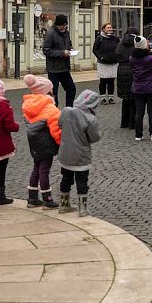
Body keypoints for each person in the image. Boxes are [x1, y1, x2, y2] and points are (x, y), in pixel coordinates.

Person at [57, 89, 101, 217]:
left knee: (66, 178)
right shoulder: (91, 119)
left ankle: (64, 204)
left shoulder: (66, 111)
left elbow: (59, 124)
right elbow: (94, 138)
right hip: (81, 155)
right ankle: (83, 208)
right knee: (82, 181)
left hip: (65, 153)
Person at [23, 74, 61, 208]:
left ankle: (32, 197)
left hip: (34, 143)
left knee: (36, 168)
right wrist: (60, 143)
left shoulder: (28, 106)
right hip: (47, 144)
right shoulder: (51, 109)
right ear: (48, 91)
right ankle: (47, 198)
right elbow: (56, 130)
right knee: (44, 170)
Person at [129, 35, 152, 141]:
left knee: (139, 112)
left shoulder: (131, 58)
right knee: (151, 112)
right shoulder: (150, 58)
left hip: (138, 88)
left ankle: (138, 134)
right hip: (150, 88)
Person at [43, 14, 76, 108]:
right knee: (54, 93)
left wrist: (71, 49)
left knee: (71, 89)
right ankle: (54, 112)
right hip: (54, 69)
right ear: (60, 25)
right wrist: (62, 53)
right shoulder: (50, 34)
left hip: (65, 68)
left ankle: (69, 109)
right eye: (64, 25)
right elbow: (46, 50)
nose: (65, 27)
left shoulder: (67, 33)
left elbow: (68, 45)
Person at [115, 27, 139, 129]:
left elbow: (116, 55)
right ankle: (132, 123)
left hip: (121, 70)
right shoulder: (136, 44)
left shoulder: (120, 44)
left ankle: (123, 122)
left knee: (125, 98)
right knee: (133, 98)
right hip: (133, 70)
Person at [92, 23, 119, 104]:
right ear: (103, 29)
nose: (110, 29)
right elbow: (95, 49)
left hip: (113, 63)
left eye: (111, 27)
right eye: (108, 28)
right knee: (103, 81)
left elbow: (119, 47)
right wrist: (101, 57)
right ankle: (102, 98)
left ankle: (111, 98)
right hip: (103, 63)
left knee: (111, 81)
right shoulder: (99, 38)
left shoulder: (115, 38)